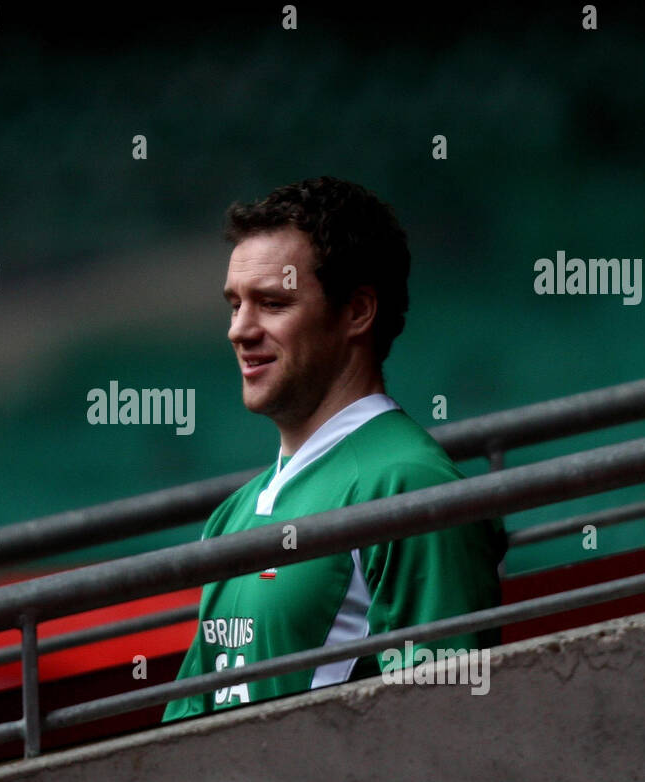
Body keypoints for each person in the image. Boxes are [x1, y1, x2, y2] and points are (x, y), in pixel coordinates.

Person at [161, 176, 506, 722]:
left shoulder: (408, 484)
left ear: (357, 312)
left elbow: (450, 720)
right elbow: (183, 729)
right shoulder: (232, 514)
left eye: (272, 303)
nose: (239, 330)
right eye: (235, 305)